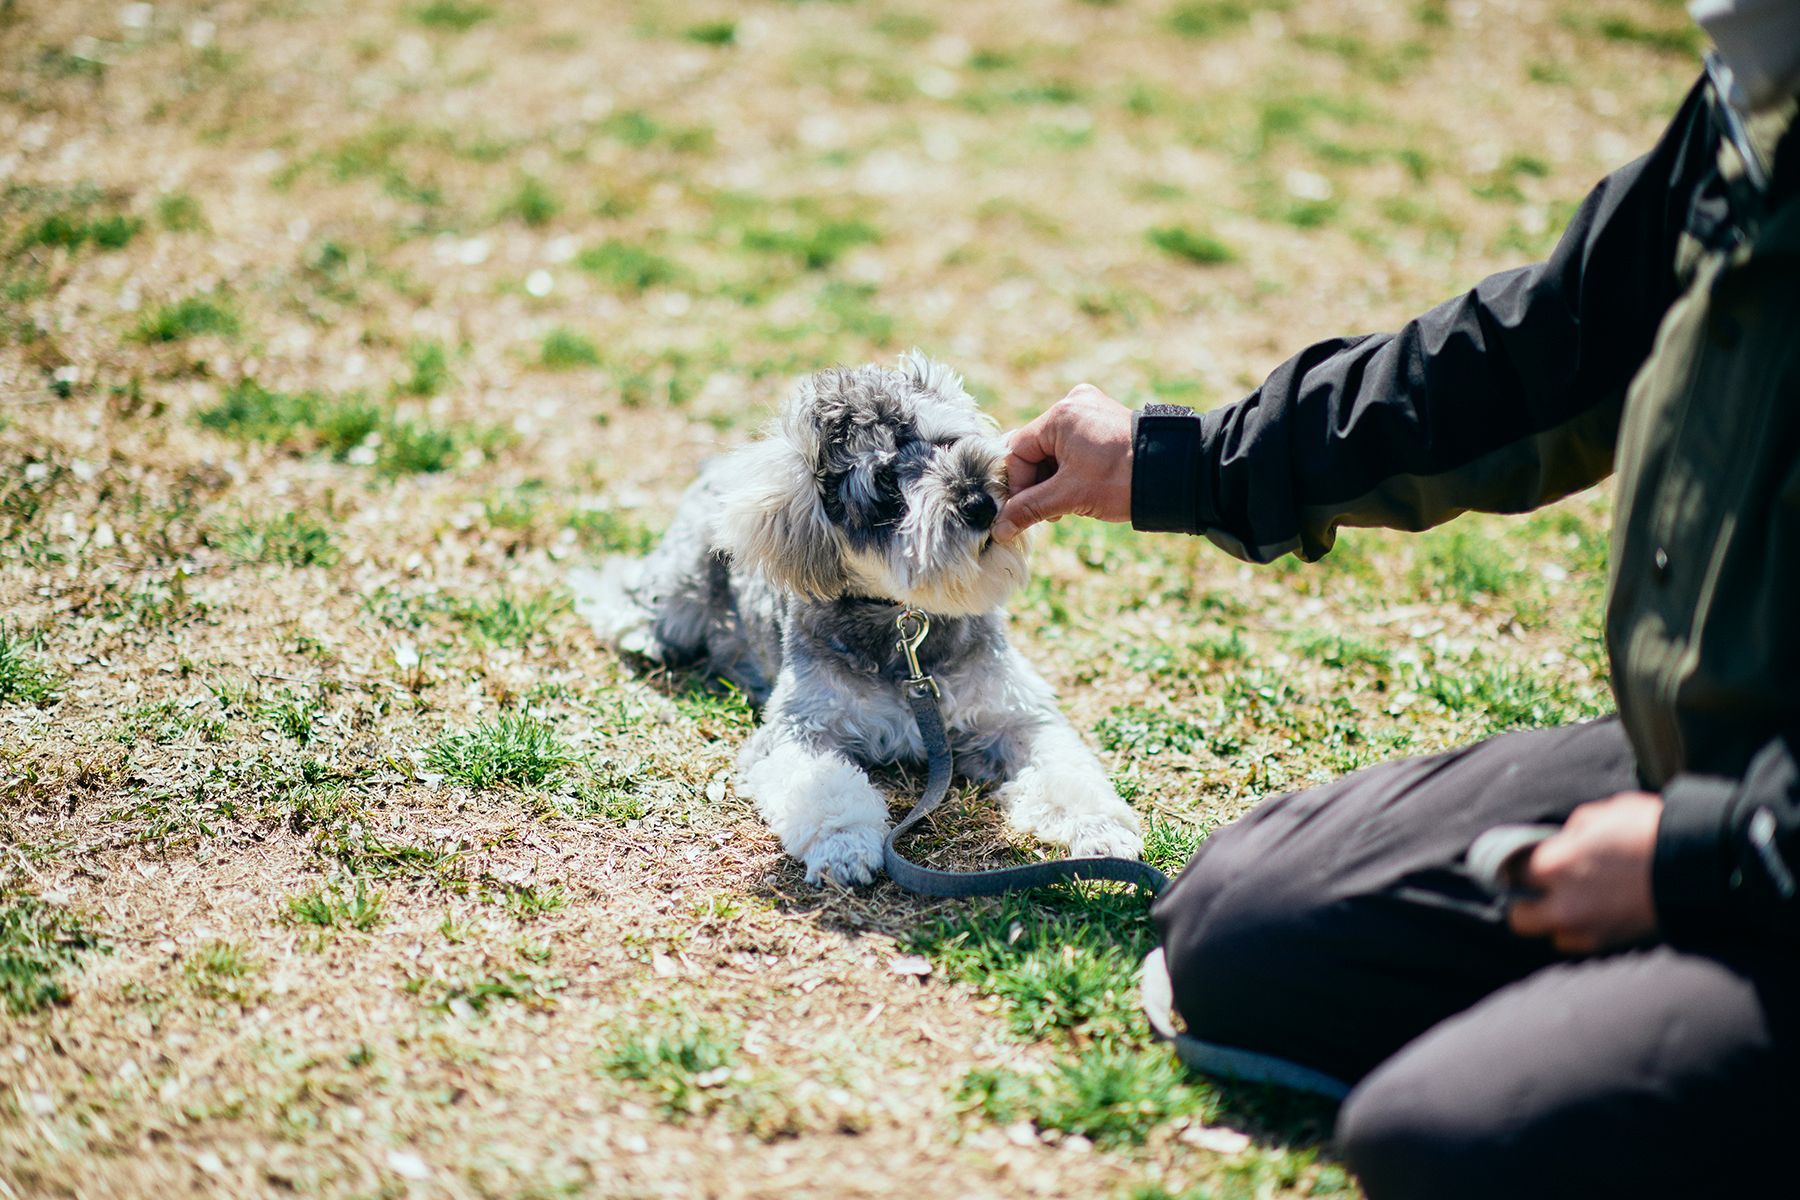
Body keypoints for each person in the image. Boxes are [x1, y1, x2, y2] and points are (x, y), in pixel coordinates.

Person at [990, 5, 1799, 1197]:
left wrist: (1712, 858)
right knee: (1242, 930)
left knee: (1455, 1145)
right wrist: (1181, 460)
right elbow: (1537, 355)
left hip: (1753, 826)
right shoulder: (1760, 107)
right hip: (1723, 758)